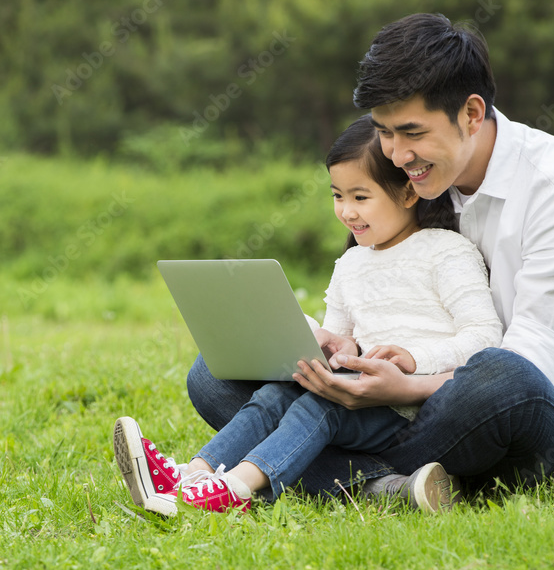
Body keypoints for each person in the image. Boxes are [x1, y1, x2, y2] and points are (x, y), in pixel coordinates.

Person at [188, 13, 554, 500]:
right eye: (384, 132)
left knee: (499, 373)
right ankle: (397, 486)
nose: (396, 156)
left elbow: (532, 361)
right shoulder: (418, 181)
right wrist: (339, 348)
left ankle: (346, 473)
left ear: (472, 114)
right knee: (214, 377)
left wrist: (405, 388)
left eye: (412, 133)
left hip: (521, 417)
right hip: (398, 415)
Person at [114, 114, 502, 516]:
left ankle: (234, 491)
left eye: (361, 197)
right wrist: (331, 344)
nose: (347, 212)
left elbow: (485, 337)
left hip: (413, 407)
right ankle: (192, 476)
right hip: (360, 395)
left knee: (319, 407)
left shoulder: (447, 251)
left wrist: (414, 361)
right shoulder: (351, 263)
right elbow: (341, 338)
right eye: (338, 196)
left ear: (407, 193)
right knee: (279, 393)